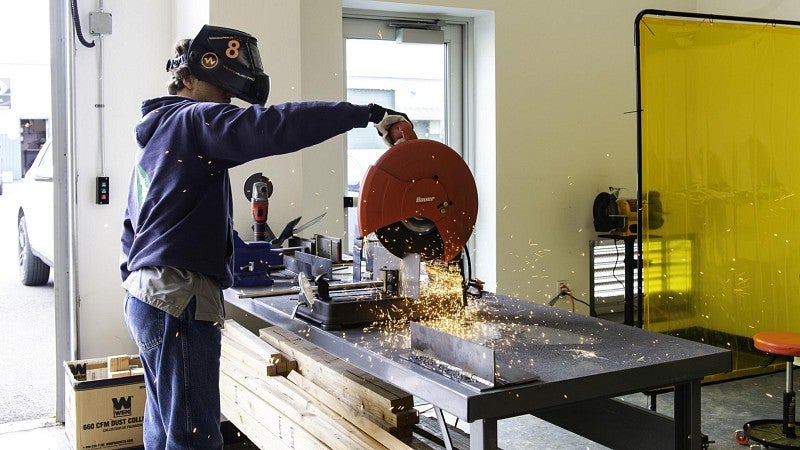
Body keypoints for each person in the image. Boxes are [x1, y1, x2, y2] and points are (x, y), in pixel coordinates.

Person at [120, 24, 411, 450]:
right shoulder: (195, 119)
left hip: (146, 297)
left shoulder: (159, 134)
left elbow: (133, 228)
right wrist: (365, 114)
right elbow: (275, 125)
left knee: (164, 433)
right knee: (193, 439)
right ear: (192, 76)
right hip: (178, 301)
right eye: (222, 91)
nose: (227, 101)